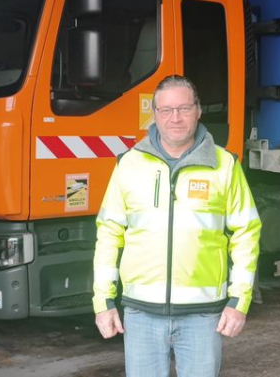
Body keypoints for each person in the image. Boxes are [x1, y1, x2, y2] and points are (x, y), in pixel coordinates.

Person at [92, 74, 261, 376]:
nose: (175, 118)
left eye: (184, 108)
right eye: (166, 110)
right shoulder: (128, 164)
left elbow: (246, 234)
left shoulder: (225, 165)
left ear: (198, 110)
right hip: (141, 314)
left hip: (203, 316)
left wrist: (239, 300)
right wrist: (103, 300)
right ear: (154, 114)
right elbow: (108, 234)